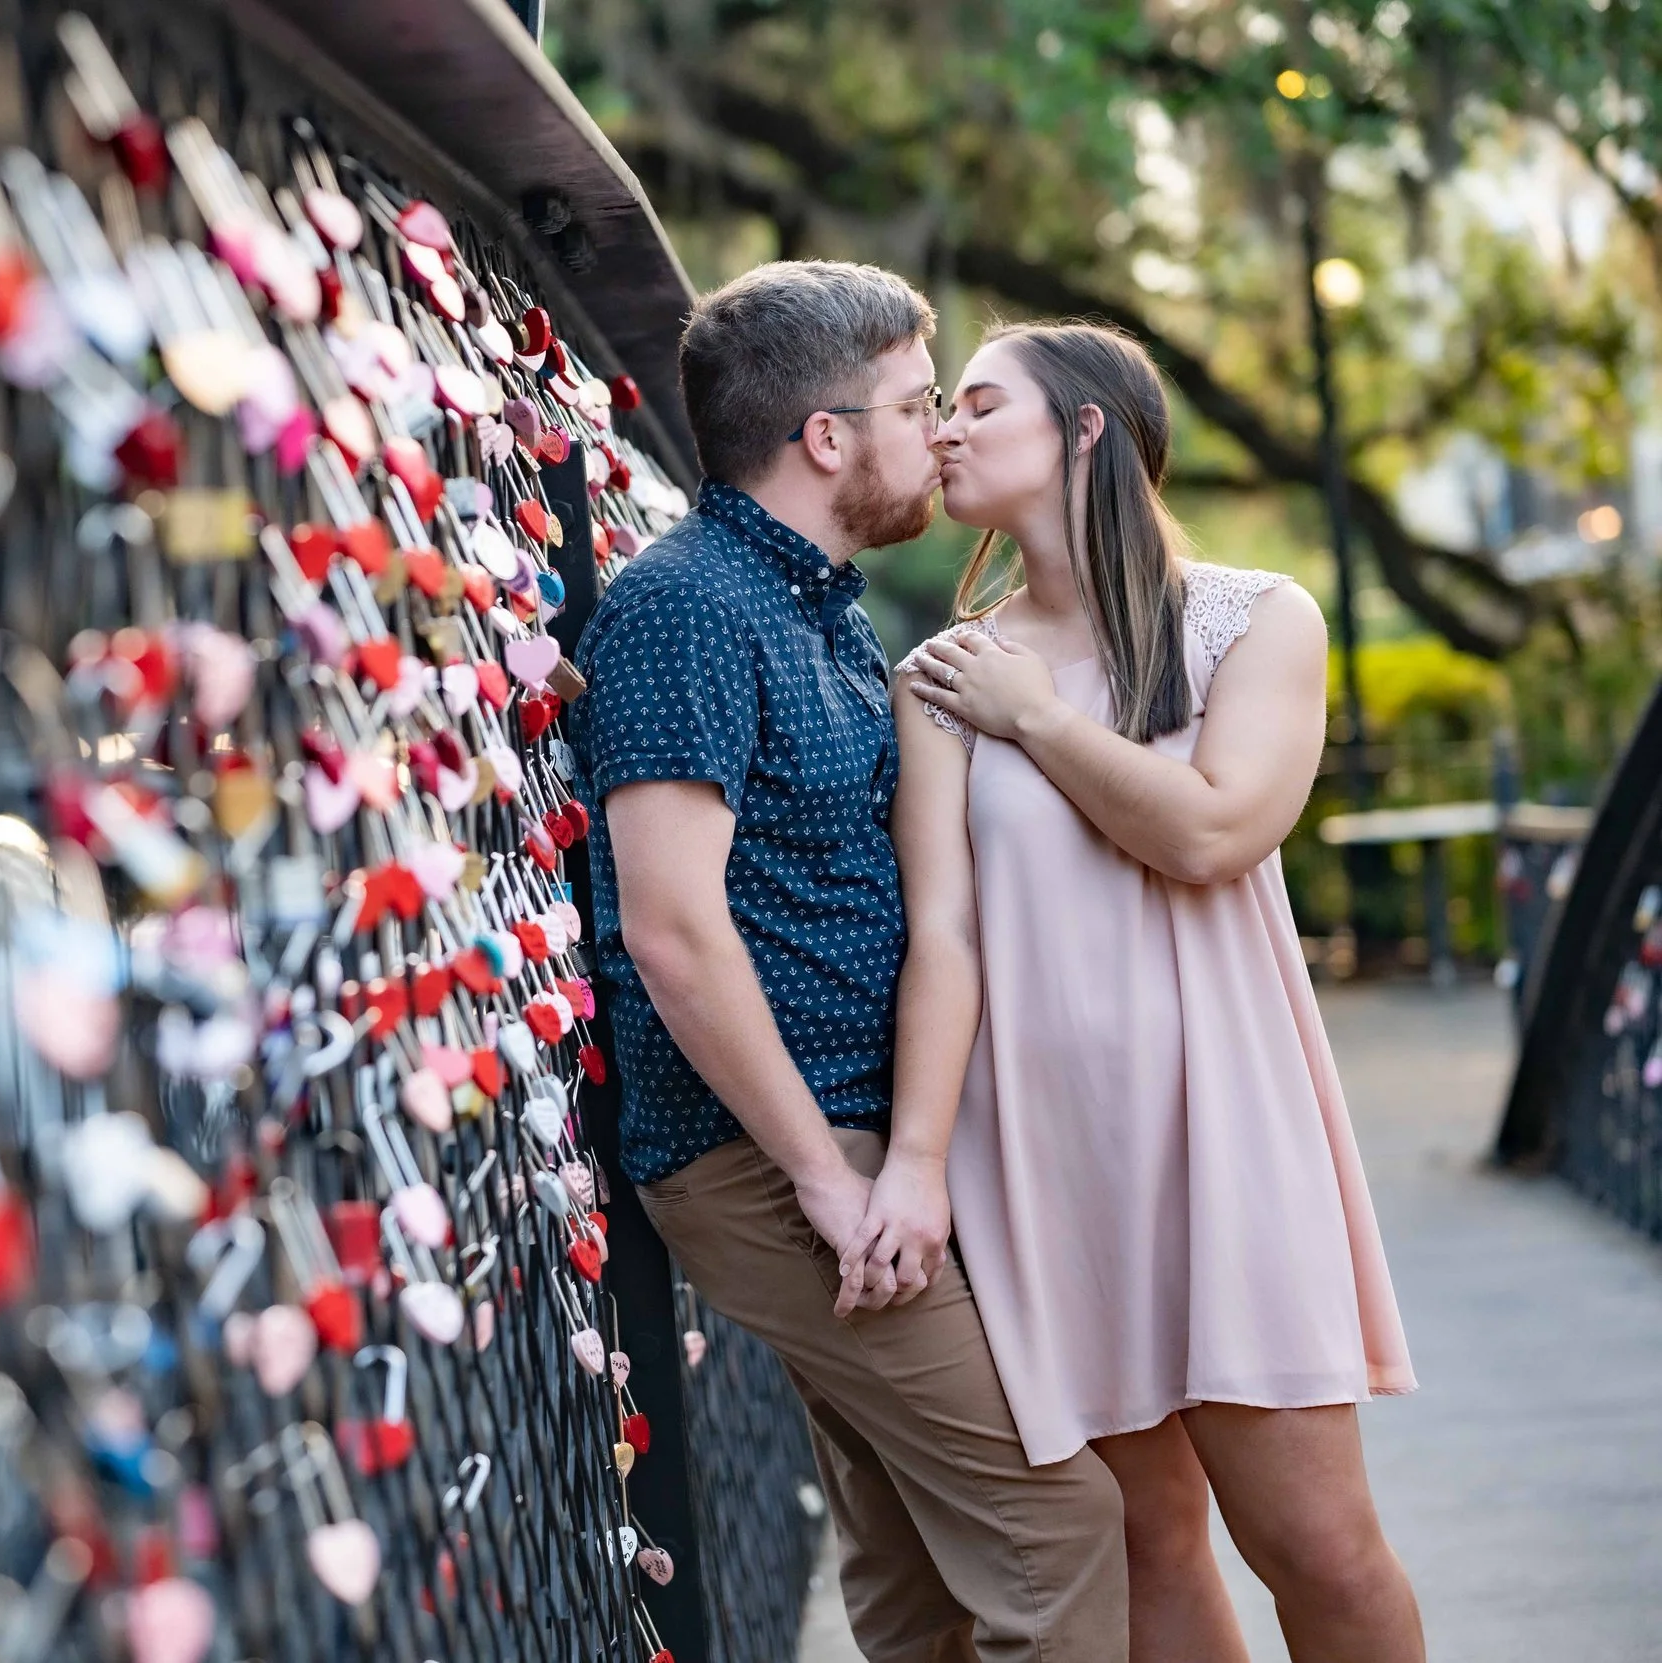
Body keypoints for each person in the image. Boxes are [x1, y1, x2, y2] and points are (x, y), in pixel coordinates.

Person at [574, 261, 1128, 1662]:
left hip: (847, 1144)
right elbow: (672, 928)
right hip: (773, 1155)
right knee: (1056, 1527)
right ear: (828, 438)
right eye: (915, 401)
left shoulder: (822, 607)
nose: (938, 428)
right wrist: (826, 1174)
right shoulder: (686, 608)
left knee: (912, 1568)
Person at [890, 320, 1424, 1663]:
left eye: (979, 403)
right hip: (1042, 1163)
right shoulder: (944, 674)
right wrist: (918, 1159)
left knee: (1319, 1543)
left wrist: (1041, 719)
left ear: (1086, 429)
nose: (945, 427)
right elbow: (943, 936)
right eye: (939, 407)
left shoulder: (1254, 621)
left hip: (1228, 1138)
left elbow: (1210, 831)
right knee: (1148, 1543)